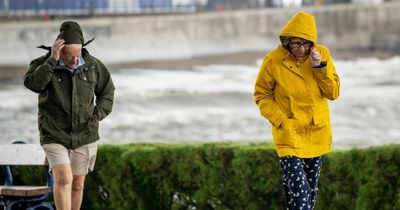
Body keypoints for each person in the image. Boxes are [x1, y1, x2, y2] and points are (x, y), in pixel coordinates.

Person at [24, 21, 115, 210]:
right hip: (54, 132)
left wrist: (96, 115)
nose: (74, 61)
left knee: (78, 184)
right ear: (59, 51)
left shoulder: (94, 66)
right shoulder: (43, 64)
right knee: (64, 177)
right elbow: (34, 84)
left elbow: (107, 93)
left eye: (78, 55)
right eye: (68, 56)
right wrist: (52, 60)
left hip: (85, 133)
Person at [254, 12, 340, 210]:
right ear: (286, 41)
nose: (301, 49)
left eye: (306, 44)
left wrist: (319, 67)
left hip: (316, 132)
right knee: (300, 195)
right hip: (289, 135)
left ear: (312, 43)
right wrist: (282, 121)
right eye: (296, 44)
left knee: (307, 194)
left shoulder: (322, 55)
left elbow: (333, 93)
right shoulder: (273, 60)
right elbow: (262, 94)